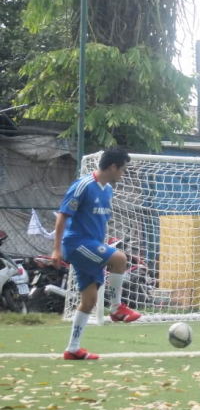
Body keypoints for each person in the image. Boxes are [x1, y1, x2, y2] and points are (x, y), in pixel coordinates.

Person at [51, 148, 141, 360]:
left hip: (91, 246)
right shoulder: (83, 186)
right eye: (123, 169)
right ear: (113, 167)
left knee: (89, 300)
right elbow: (62, 216)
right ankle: (117, 308)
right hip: (75, 244)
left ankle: (73, 348)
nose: (124, 173)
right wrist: (56, 248)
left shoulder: (108, 191)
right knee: (120, 258)